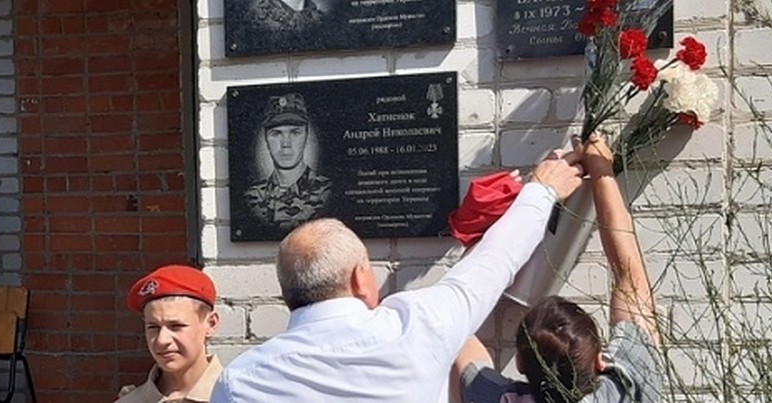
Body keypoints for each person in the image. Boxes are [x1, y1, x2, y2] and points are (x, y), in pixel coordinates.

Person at [211, 147, 586, 403]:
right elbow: (495, 262)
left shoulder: (241, 380)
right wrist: (543, 190)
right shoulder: (417, 325)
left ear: (286, 294)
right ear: (360, 279)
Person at [452, 136, 663, 403]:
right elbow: (630, 278)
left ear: (520, 363)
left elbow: (451, 322)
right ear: (599, 362)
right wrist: (601, 171)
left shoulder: (493, 397)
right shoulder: (630, 389)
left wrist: (529, 202)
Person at [116, 265, 223, 403]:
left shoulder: (240, 395)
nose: (162, 340)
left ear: (211, 324)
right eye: (153, 327)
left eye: (176, 326)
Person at [244, 92, 332, 232]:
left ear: (306, 136)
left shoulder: (327, 192)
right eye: (276, 134)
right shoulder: (253, 197)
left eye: (295, 132)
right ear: (266, 139)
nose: (286, 143)